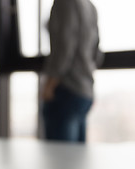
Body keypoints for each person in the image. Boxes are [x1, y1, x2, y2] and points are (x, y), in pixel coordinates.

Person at [41, 0, 103, 142]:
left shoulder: (65, 2)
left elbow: (65, 46)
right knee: (76, 159)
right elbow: (97, 54)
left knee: (59, 159)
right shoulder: (89, 6)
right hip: (85, 91)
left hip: (66, 88)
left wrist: (49, 84)